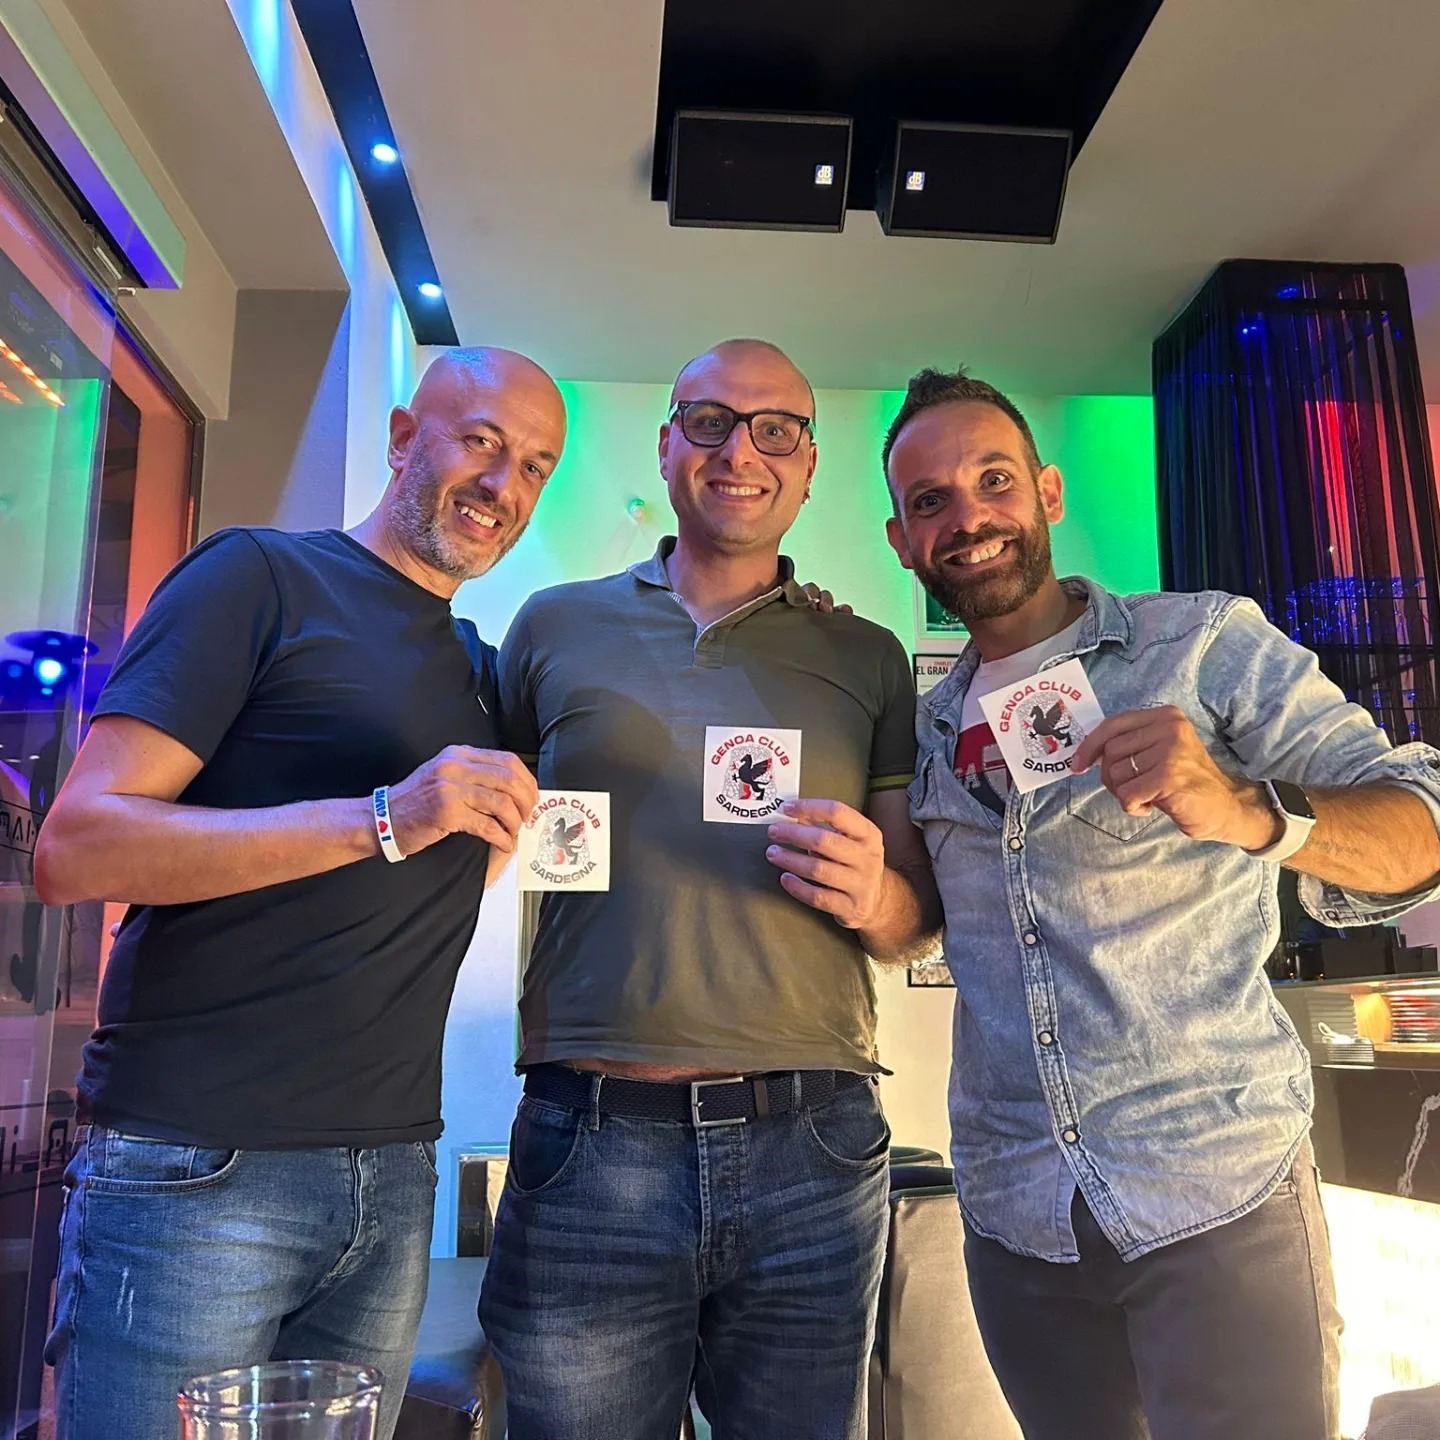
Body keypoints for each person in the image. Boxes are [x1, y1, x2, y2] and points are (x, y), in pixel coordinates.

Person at [882, 364, 1440, 1440]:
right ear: (903, 540)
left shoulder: (1202, 645)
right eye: (930, 501)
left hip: (1215, 1196)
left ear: (1048, 492)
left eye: (994, 480)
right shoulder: (922, 729)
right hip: (1017, 1218)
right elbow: (923, 921)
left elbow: (1422, 823)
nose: (969, 518)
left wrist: (1250, 810)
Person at [33, 346, 567, 1440]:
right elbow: (76, 847)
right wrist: (384, 817)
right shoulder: (258, 577)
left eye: (534, 467)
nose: (502, 484)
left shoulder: (482, 670)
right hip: (196, 1164)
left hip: (393, 1173)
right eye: (480, 442)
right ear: (402, 439)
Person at [480, 338, 942, 1440]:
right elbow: (483, 826)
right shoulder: (550, 625)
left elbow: (914, 923)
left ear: (809, 464)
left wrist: (874, 896)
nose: (741, 451)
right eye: (710, 422)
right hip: (589, 1137)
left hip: (814, 1147)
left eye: (775, 428)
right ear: (666, 444)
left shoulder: (870, 655)